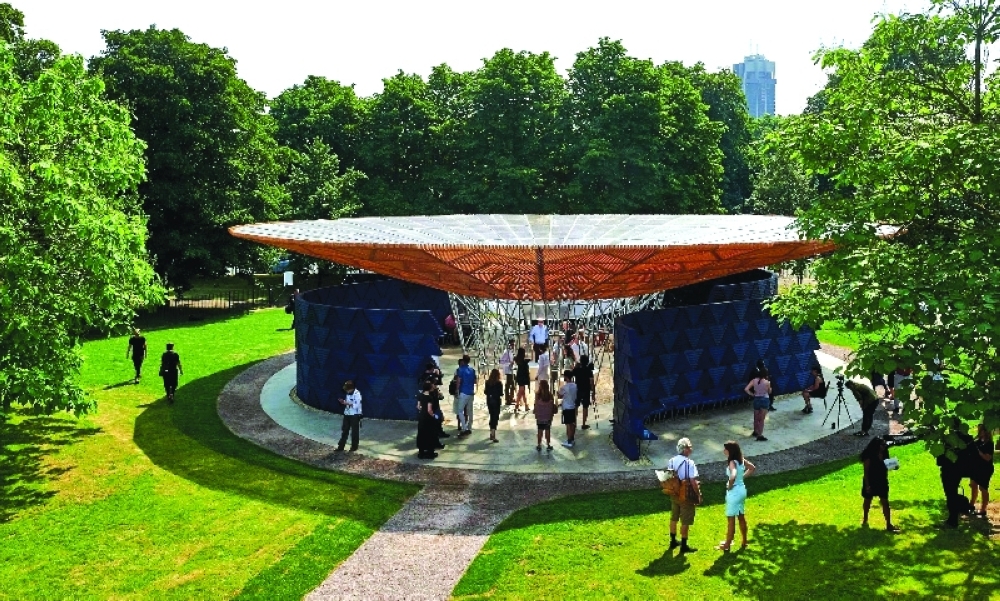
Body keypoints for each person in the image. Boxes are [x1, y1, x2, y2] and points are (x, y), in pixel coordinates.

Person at [717, 441, 756, 551]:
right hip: (742, 490)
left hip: (734, 493)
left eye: (725, 449)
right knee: (741, 516)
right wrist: (741, 478)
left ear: (730, 450)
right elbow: (752, 468)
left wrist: (730, 484)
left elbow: (733, 474)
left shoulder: (732, 463)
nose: (723, 451)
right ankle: (744, 541)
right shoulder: (741, 459)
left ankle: (727, 544)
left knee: (730, 520)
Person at [667, 437, 701, 554]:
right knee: (685, 520)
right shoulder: (689, 463)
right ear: (685, 449)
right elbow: (693, 482)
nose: (691, 449)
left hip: (674, 493)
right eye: (690, 447)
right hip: (685, 494)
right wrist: (698, 495)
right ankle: (684, 545)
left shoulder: (671, 461)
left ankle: (672, 541)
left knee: (674, 517)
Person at [860, 437, 900, 532]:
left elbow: (887, 465)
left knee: (885, 502)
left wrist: (894, 466)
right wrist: (867, 485)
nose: (884, 446)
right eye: (882, 444)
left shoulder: (885, 453)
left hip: (882, 480)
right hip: (871, 480)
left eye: (885, 444)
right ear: (876, 446)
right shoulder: (868, 455)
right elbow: (866, 472)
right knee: (867, 500)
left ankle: (889, 524)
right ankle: (865, 518)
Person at [969, 424, 994, 517]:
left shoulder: (990, 444)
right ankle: (971, 505)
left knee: (983, 488)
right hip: (975, 468)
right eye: (978, 430)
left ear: (986, 431)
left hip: (985, 469)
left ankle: (983, 509)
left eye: (981, 430)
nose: (979, 432)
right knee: (973, 485)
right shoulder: (976, 442)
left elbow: (987, 458)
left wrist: (978, 452)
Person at [336, 380, 363, 452]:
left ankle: (354, 447)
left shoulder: (357, 394)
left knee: (354, 432)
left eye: (347, 389)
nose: (346, 391)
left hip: (355, 415)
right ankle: (341, 446)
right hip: (347, 414)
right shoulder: (348, 393)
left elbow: (356, 406)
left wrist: (346, 403)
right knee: (344, 430)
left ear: (352, 388)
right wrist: (343, 402)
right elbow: (348, 403)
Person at [744, 369, 771, 441]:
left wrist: (752, 394)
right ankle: (760, 435)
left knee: (756, 418)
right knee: (761, 419)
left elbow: (746, 389)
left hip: (756, 399)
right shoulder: (767, 382)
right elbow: (769, 392)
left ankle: (755, 431)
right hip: (764, 400)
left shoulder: (754, 380)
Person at [416, 382, 441, 459]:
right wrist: (434, 416)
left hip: (421, 417)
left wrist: (422, 410)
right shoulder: (429, 398)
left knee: (421, 433)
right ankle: (430, 453)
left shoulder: (420, 395)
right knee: (430, 434)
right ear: (430, 388)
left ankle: (421, 452)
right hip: (428, 418)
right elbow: (429, 410)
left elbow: (418, 406)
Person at [454, 355, 476, 436]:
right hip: (471, 392)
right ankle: (469, 427)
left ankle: (464, 428)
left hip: (463, 392)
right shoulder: (472, 370)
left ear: (463, 361)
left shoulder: (460, 370)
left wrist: (457, 391)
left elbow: (458, 382)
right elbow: (475, 381)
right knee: (470, 411)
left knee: (460, 410)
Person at [572, 355, 596, 430]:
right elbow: (592, 382)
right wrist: (593, 393)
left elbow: (571, 374)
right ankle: (583, 424)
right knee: (585, 407)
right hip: (586, 390)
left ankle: (574, 423)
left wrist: (575, 367)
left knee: (576, 406)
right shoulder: (589, 371)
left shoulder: (577, 370)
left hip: (578, 389)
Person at [533, 380, 556, 452]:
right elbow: (551, 406)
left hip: (540, 417)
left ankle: (539, 445)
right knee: (547, 431)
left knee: (539, 431)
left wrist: (536, 414)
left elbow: (536, 405)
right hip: (548, 417)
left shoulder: (537, 395)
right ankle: (548, 445)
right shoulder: (550, 395)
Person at [557, 370, 578, 448]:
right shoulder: (575, 386)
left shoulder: (564, 387)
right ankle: (572, 438)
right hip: (572, 406)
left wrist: (558, 392)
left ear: (566, 377)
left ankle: (569, 441)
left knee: (568, 425)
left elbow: (560, 396)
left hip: (566, 407)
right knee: (572, 423)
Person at [485, 369, 503, 443]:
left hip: (489, 401)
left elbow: (485, 392)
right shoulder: (499, 383)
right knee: (495, 418)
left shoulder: (487, 382)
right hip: (496, 401)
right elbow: (501, 393)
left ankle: (491, 432)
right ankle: (493, 434)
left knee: (492, 416)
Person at [514, 347, 531, 415]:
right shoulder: (523, 361)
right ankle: (517, 406)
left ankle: (525, 405)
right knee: (521, 392)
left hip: (519, 378)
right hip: (523, 378)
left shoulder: (518, 360)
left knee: (522, 392)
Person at [499, 340, 516, 405]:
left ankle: (511, 398)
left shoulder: (512, 352)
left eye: (514, 345)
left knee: (512, 385)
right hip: (508, 371)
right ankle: (508, 399)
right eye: (512, 344)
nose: (513, 346)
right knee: (509, 385)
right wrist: (509, 364)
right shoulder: (506, 352)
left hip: (512, 370)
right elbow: (501, 361)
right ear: (509, 344)